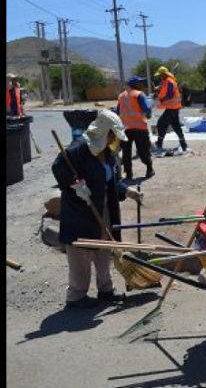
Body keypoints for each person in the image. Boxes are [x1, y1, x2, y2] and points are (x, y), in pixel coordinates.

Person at [51, 110, 144, 308]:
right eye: (112, 135)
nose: (114, 141)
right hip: (80, 210)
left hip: (104, 207)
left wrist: (127, 191)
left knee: (104, 250)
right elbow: (59, 168)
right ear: (104, 132)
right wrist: (75, 186)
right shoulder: (78, 150)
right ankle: (76, 296)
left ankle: (106, 290)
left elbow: (111, 180)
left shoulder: (106, 153)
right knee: (81, 254)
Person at [116, 76, 154, 179]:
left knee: (126, 153)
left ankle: (129, 174)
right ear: (135, 85)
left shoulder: (121, 96)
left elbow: (118, 111)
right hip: (139, 128)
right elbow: (147, 110)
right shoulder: (139, 95)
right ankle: (149, 169)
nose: (142, 85)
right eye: (140, 83)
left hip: (125, 129)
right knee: (143, 151)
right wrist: (150, 103)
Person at [153, 66, 187, 157]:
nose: (159, 77)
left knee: (161, 124)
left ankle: (159, 143)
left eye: (160, 75)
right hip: (173, 107)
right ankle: (183, 144)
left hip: (172, 107)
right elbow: (165, 89)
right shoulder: (167, 81)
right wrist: (159, 90)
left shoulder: (169, 81)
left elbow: (170, 94)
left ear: (163, 75)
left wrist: (162, 99)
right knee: (176, 126)